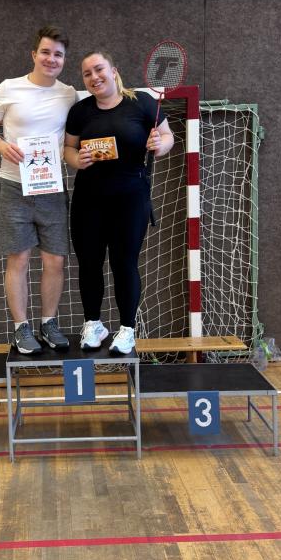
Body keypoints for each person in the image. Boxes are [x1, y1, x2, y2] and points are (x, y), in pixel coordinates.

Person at [64, 50, 174, 354]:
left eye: (99, 69)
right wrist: (77, 159)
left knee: (124, 263)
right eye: (87, 73)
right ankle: (93, 324)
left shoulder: (142, 103)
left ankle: (127, 330)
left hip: (130, 199)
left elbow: (168, 137)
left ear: (114, 71)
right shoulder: (80, 111)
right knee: (89, 263)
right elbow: (69, 149)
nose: (94, 77)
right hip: (88, 199)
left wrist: (159, 144)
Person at [0, 25, 78, 354]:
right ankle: (21, 328)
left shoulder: (69, 95)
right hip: (13, 187)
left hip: (52, 189)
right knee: (19, 259)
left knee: (55, 261)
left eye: (58, 55)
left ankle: (48, 323)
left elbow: (74, 140)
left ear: (64, 60)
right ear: (34, 54)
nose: (51, 59)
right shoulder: (9, 88)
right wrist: (1, 146)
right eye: (45, 52)